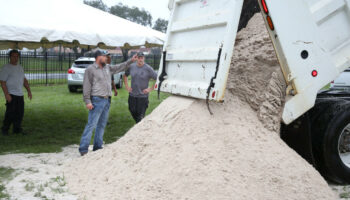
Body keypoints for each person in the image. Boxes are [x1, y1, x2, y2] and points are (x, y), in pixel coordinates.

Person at [79, 50, 137, 156]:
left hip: (107, 100)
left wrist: (131, 61)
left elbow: (120, 67)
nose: (106, 58)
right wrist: (87, 101)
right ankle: (83, 148)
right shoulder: (90, 70)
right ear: (98, 57)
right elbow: (86, 87)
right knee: (91, 124)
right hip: (96, 100)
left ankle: (97, 146)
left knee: (101, 124)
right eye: (104, 56)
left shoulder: (107, 68)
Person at [0, 49, 32, 135]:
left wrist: (29, 91)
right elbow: (2, 82)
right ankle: (5, 129)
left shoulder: (20, 67)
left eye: (17, 56)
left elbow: (24, 80)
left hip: (20, 94)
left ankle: (17, 129)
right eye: (14, 56)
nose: (16, 58)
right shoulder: (6, 68)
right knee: (10, 113)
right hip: (11, 94)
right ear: (10, 57)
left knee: (19, 113)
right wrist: (7, 94)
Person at [123, 52, 158, 123]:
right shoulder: (131, 66)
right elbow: (125, 75)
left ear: (144, 58)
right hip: (132, 95)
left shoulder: (148, 68)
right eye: (139, 58)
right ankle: (140, 125)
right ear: (137, 59)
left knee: (140, 116)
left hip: (143, 97)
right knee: (132, 110)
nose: (140, 59)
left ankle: (140, 129)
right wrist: (127, 86)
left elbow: (158, 79)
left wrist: (150, 89)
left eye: (142, 58)